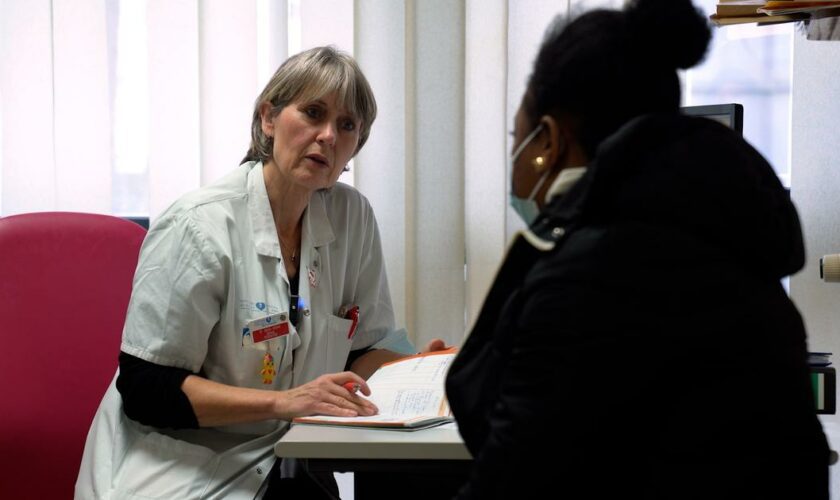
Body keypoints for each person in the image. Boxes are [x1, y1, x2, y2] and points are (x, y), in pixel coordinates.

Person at [445, 1, 830, 499]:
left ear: (547, 141)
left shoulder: (585, 279)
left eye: (515, 135)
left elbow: (510, 482)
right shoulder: (736, 248)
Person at [76, 46, 441, 499]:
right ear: (268, 118)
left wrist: (417, 369)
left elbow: (363, 350)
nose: (327, 135)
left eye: (347, 125)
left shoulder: (353, 217)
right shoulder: (198, 225)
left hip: (288, 455)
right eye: (312, 112)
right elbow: (147, 389)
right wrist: (285, 402)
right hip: (177, 467)